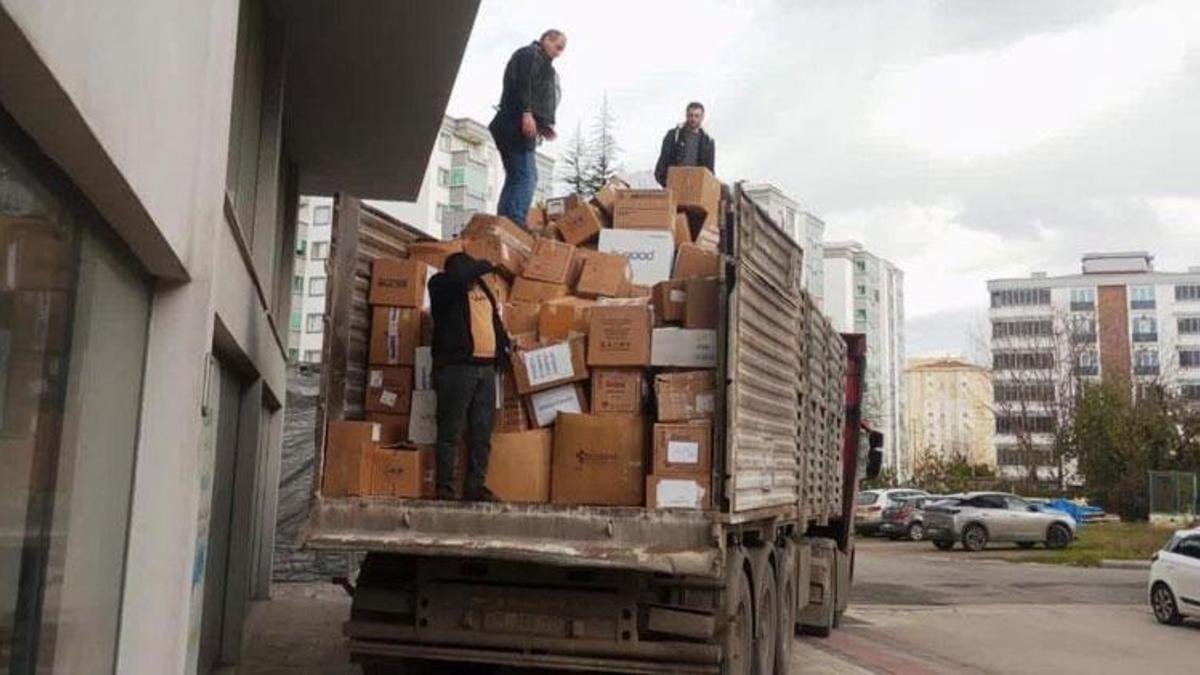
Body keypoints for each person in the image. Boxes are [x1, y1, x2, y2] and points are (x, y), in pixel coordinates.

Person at [427, 252, 509, 500]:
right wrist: (485, 263)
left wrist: (503, 348)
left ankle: (475, 486)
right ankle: (445, 489)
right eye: (470, 268)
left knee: (481, 432)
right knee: (451, 430)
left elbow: (493, 320)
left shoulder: (482, 288)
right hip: (457, 369)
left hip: (485, 370)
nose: (476, 274)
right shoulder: (442, 285)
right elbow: (461, 277)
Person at [489, 29, 566, 228]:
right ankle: (513, 221)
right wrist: (527, 112)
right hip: (513, 125)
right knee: (526, 176)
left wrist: (541, 125)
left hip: (512, 124)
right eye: (558, 47)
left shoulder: (539, 61)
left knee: (517, 176)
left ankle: (505, 221)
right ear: (546, 39)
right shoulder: (531, 55)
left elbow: (530, 90)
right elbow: (522, 84)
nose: (559, 53)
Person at [654, 102, 716, 187]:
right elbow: (661, 166)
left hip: (697, 190)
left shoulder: (708, 142)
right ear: (686, 115)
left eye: (697, 116)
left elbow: (710, 172)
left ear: (702, 118)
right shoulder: (673, 136)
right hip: (674, 188)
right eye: (691, 115)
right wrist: (668, 185)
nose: (693, 119)